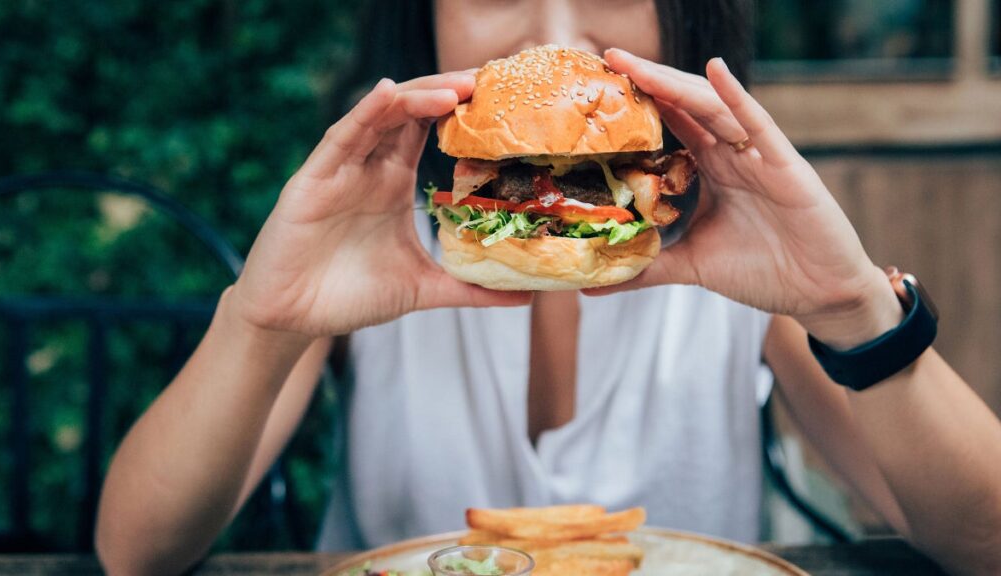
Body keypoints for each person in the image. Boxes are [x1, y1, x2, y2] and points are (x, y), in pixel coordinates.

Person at [95, 1, 1001, 575]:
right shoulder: (369, 239)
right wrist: (259, 319)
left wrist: (852, 309)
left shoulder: (741, 245)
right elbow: (135, 552)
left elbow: (984, 543)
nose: (556, 35)